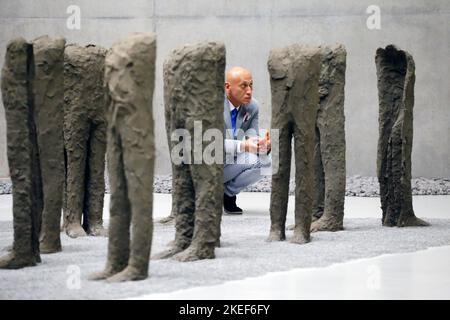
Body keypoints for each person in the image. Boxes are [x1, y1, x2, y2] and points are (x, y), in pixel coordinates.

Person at [223, 66, 271, 214]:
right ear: (227, 87)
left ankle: (226, 194)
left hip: (228, 160)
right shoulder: (212, 105)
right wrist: (244, 145)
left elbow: (253, 137)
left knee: (265, 162)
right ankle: (204, 191)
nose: (249, 91)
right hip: (204, 164)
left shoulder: (252, 107)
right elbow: (209, 143)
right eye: (243, 86)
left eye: (251, 85)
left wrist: (263, 146)